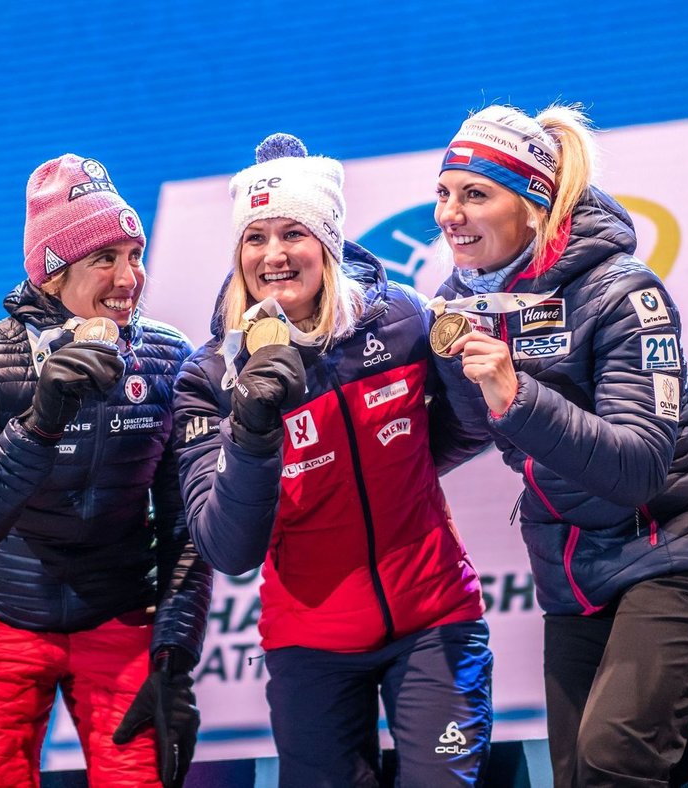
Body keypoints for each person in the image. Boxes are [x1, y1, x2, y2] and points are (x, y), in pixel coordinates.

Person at [428, 103, 688, 787]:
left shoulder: (624, 293)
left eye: (475, 194)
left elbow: (637, 466)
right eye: (444, 192)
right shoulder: (460, 304)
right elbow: (462, 429)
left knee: (614, 762)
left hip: (680, 545)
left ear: (534, 207)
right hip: (572, 568)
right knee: (580, 777)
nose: (448, 214)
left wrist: (516, 395)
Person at [173, 133, 493, 787]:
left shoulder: (399, 320)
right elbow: (228, 548)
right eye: (255, 238)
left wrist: (406, 468)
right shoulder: (210, 377)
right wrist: (255, 433)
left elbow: (465, 429)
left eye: (293, 232)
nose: (274, 254)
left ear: (328, 242)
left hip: (434, 616)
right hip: (310, 642)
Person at [0, 154, 212, 788]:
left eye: (133, 254)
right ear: (53, 273)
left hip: (118, 616)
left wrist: (174, 660)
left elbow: (186, 527)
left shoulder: (167, 357)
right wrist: (40, 420)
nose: (128, 277)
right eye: (103, 259)